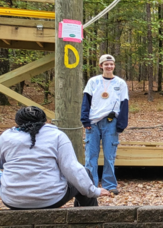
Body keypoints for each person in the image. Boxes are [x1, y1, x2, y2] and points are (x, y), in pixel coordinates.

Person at [0, 106, 112, 209]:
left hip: (12, 200)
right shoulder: (57, 135)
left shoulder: (6, 137)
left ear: (18, 122)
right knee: (85, 172)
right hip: (51, 199)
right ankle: (88, 218)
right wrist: (93, 191)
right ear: (43, 120)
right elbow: (71, 167)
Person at [81, 54, 129, 195]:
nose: (109, 66)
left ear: (114, 65)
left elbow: (124, 104)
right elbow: (86, 101)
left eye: (111, 64)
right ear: (101, 66)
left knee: (109, 155)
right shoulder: (93, 81)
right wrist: (85, 120)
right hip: (93, 122)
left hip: (111, 122)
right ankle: (90, 185)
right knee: (91, 155)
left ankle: (109, 184)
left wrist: (121, 123)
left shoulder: (120, 83)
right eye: (106, 64)